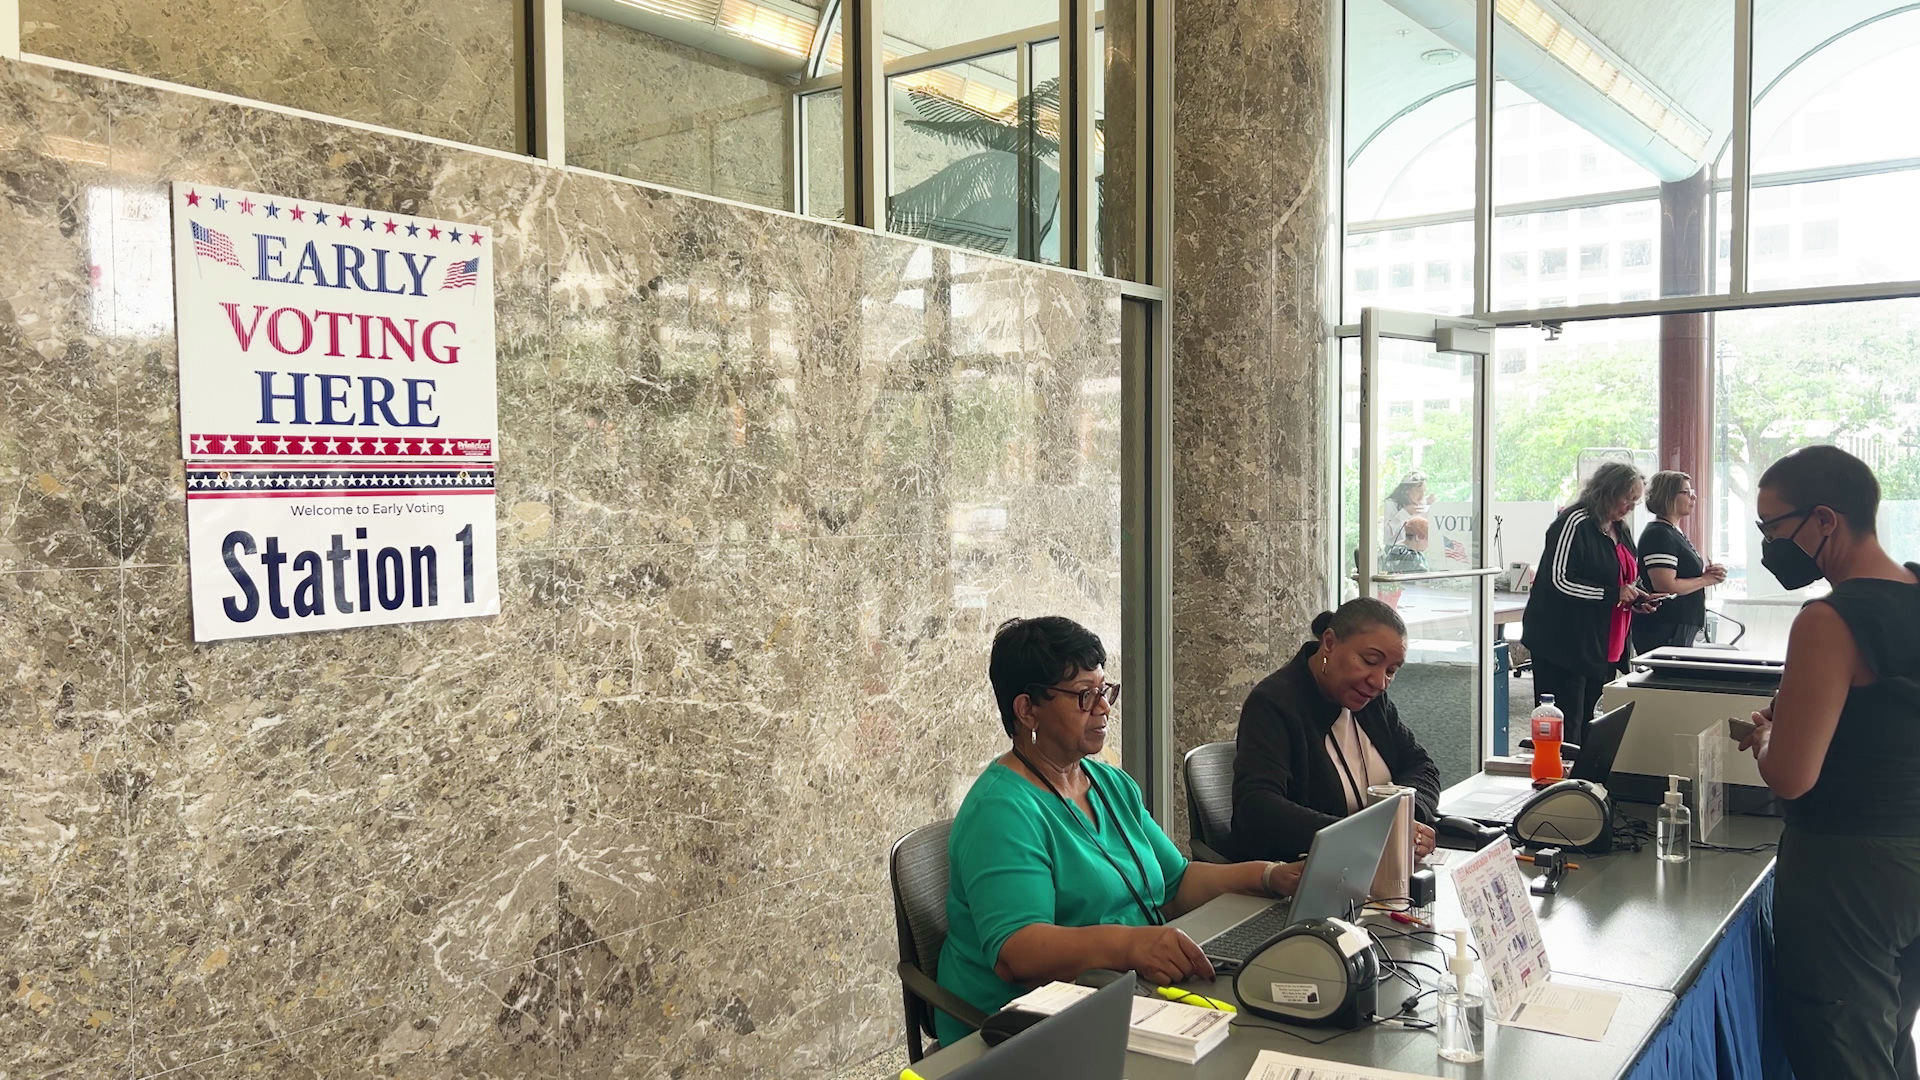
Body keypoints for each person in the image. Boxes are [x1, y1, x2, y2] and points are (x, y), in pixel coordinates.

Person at [935, 617, 1304, 1045]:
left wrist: (1268, 876)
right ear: (1027, 709)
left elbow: (1176, 881)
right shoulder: (1001, 811)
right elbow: (1019, 951)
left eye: (1105, 691)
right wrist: (1130, 946)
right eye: (1084, 696)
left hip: (1123, 990)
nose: (1104, 708)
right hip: (1025, 1025)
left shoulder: (1107, 782)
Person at [1736, 446, 1920, 1079]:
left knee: (1841, 1046)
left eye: (1771, 527)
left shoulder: (1829, 619)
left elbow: (1791, 774)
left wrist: (1767, 737)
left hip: (1850, 868)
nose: (1766, 544)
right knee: (1890, 1033)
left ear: (1824, 520)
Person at [1228, 599, 1440, 863]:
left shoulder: (1372, 702)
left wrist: (1408, 821)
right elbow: (1257, 808)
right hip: (1298, 875)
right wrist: (1361, 834)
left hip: (1371, 867)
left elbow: (1423, 768)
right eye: (1370, 661)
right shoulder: (1274, 703)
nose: (1380, 682)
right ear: (1329, 643)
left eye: (1391, 671)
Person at [1520, 462, 1658, 745]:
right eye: (1627, 499)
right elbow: (1558, 581)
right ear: (1607, 491)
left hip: (1603, 643)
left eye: (1636, 500)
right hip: (1564, 643)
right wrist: (1612, 594)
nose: (1631, 507)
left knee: (1591, 724)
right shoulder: (1574, 522)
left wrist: (1636, 597)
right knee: (1566, 725)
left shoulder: (1619, 528)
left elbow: (1624, 578)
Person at [1633, 471, 1726, 653]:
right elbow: (1665, 585)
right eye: (1686, 492)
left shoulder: (1673, 532)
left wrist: (1708, 574)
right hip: (1665, 626)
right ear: (1668, 496)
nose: (1693, 496)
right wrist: (1706, 580)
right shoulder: (1659, 534)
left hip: (1679, 624)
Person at [1381, 471, 1429, 551]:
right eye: (1419, 491)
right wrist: (1405, 513)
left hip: (1416, 552)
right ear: (1407, 490)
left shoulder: (1421, 505)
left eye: (1424, 491)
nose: (1422, 496)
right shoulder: (1391, 503)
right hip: (1395, 553)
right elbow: (1386, 535)